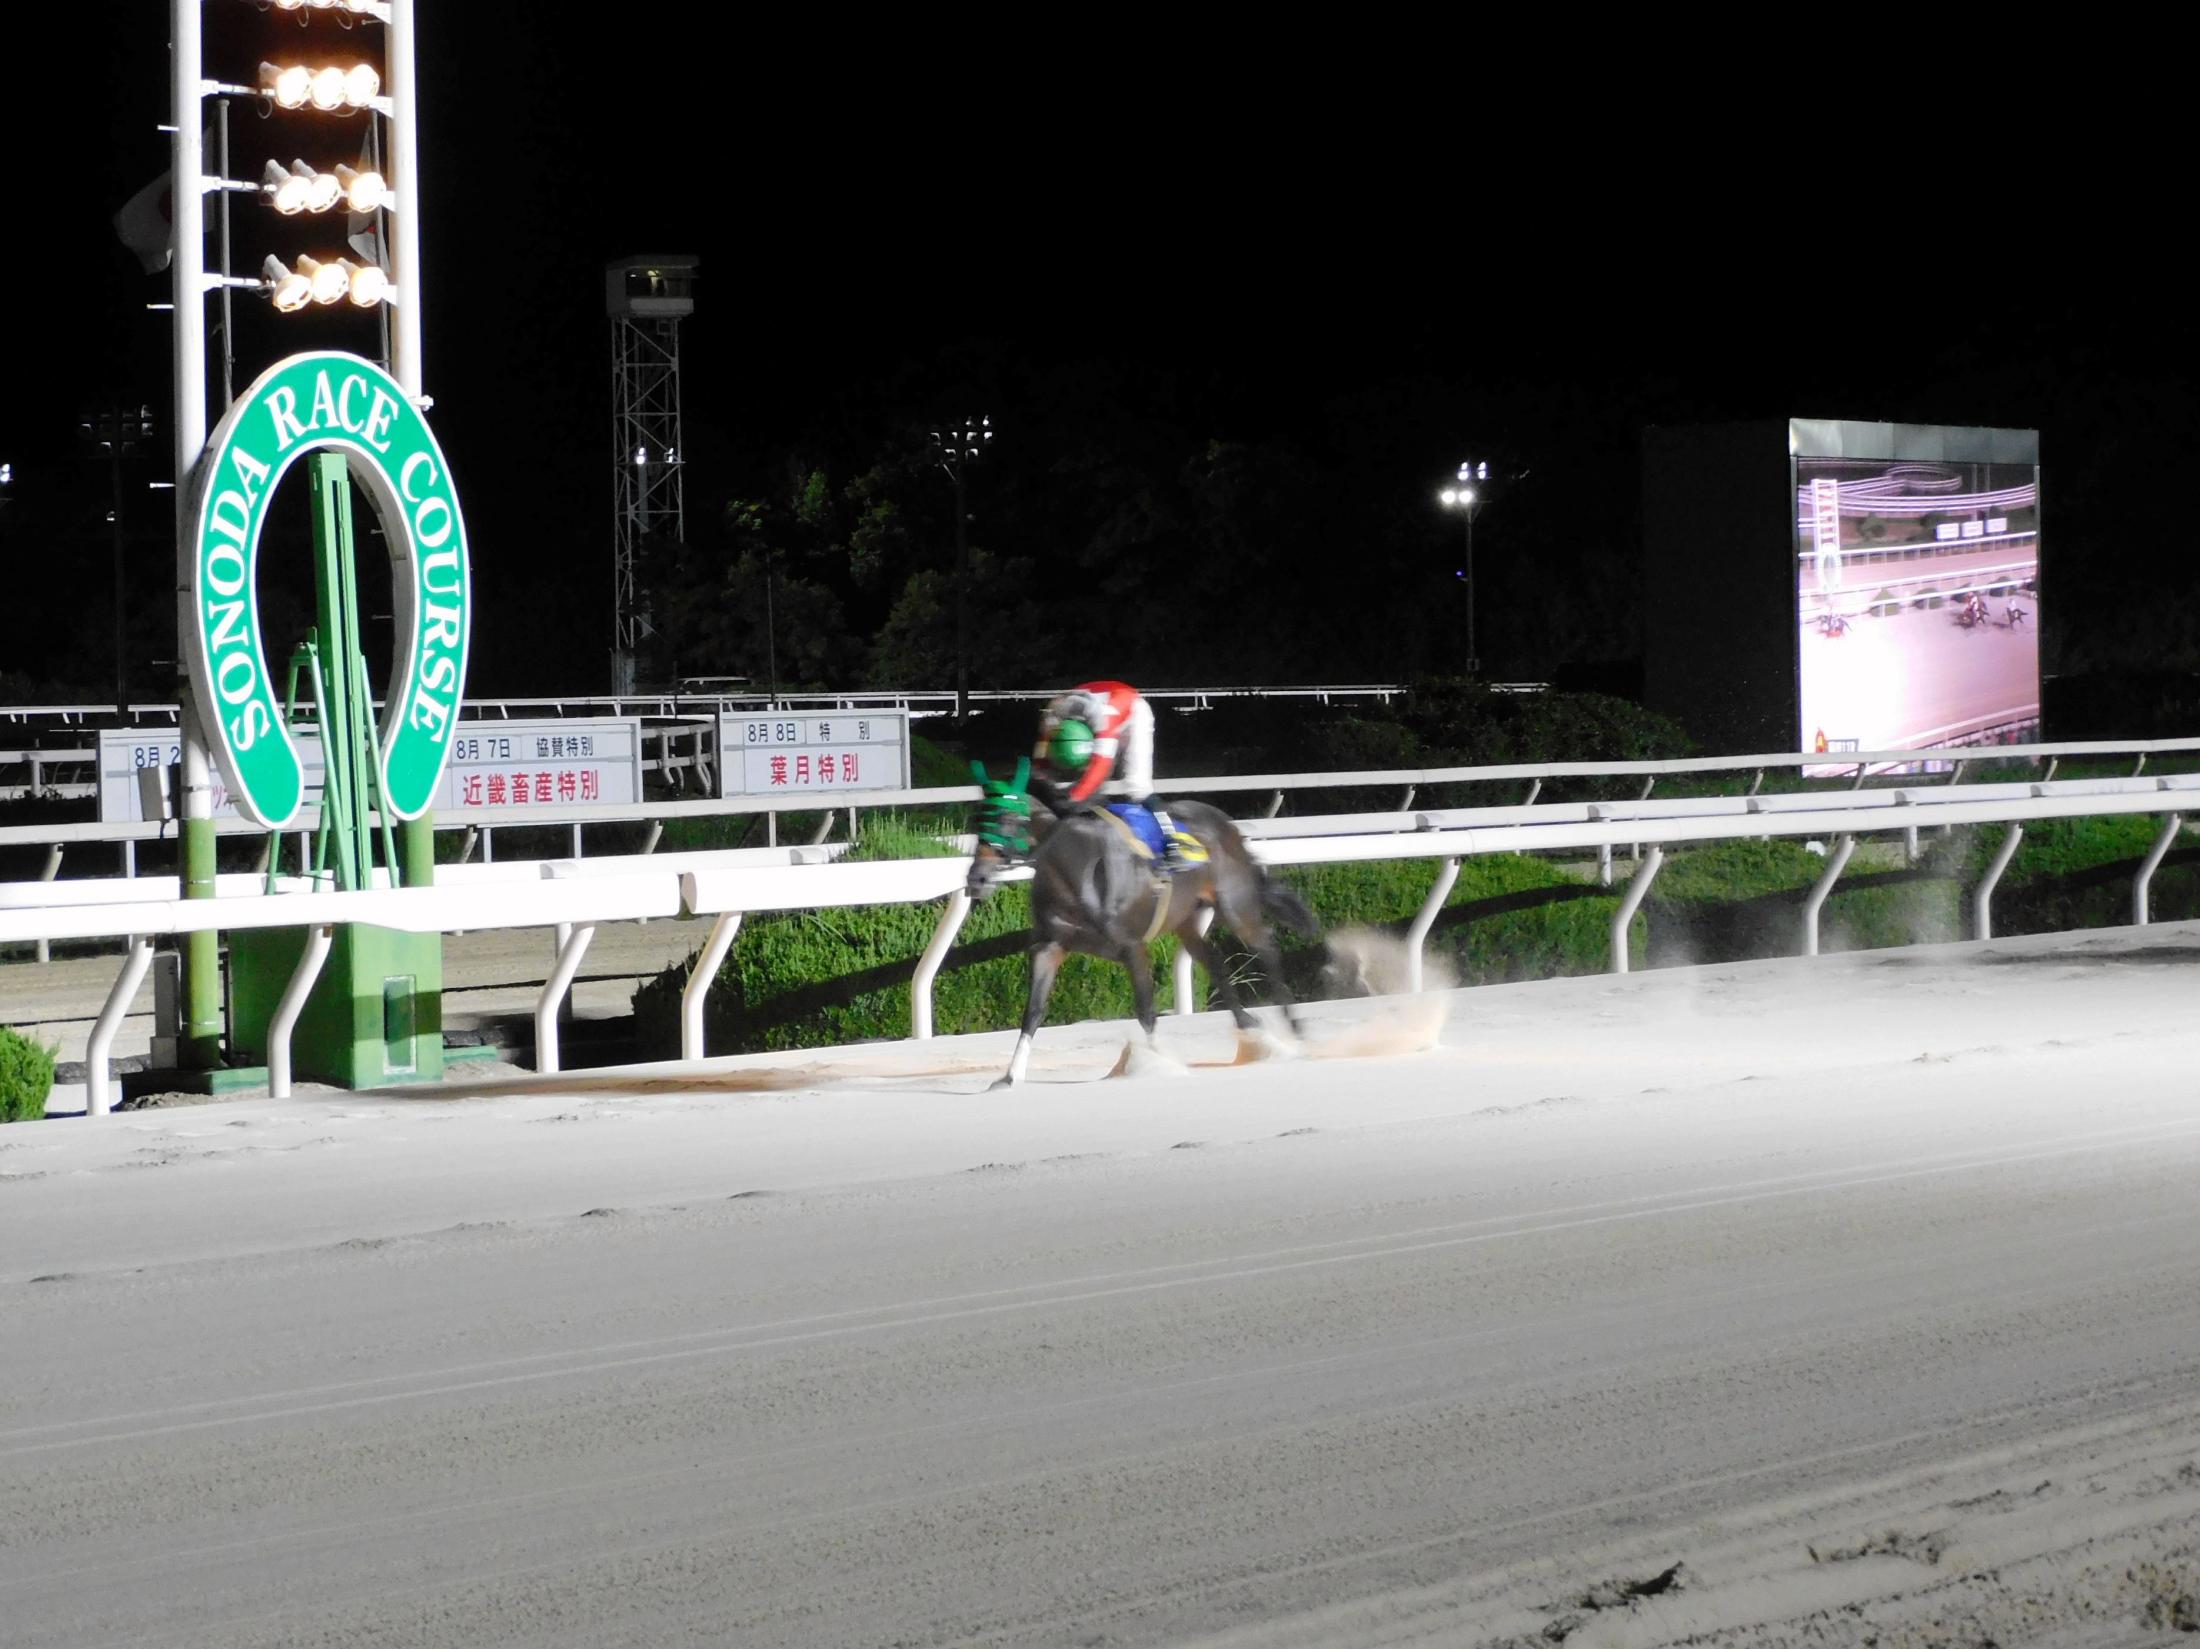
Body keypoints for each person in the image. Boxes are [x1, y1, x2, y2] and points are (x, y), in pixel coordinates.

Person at [1029, 680, 1203, 872]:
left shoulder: (1104, 720)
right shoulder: (1051, 719)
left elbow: (1100, 766)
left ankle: (1174, 843)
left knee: (1137, 787)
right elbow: (1040, 764)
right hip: (1093, 710)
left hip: (1132, 711)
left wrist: (1074, 798)